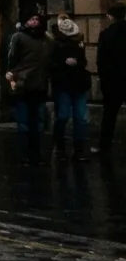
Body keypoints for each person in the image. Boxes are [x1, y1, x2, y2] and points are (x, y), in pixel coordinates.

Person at [4, 11, 53, 166]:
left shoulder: (46, 39)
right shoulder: (18, 37)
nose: (34, 21)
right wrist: (12, 76)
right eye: (31, 18)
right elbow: (11, 59)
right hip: (23, 85)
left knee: (38, 123)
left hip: (39, 86)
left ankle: (36, 154)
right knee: (24, 123)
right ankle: (24, 155)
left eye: (37, 19)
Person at [49, 14, 90, 163]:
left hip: (77, 85)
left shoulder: (79, 44)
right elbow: (51, 64)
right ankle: (60, 147)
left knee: (80, 118)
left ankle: (78, 149)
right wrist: (63, 62)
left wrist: (76, 62)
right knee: (64, 116)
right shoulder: (55, 45)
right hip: (64, 85)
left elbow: (84, 62)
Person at [101, 3, 126, 156]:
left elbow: (102, 60)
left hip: (113, 81)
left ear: (110, 16)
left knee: (109, 115)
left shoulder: (107, 34)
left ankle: (105, 145)